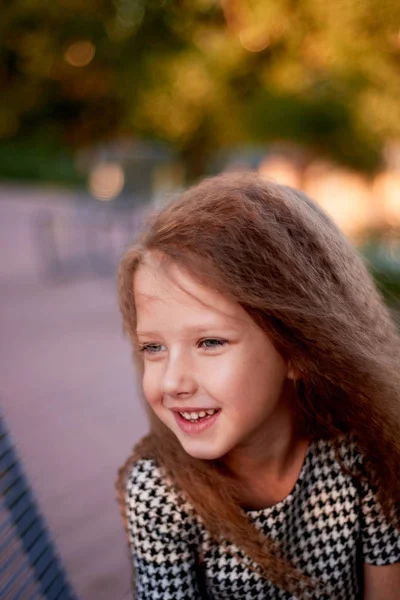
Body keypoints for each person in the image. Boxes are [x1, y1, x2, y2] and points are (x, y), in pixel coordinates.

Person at [116, 172, 400, 599]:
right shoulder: (161, 493)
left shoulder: (359, 456)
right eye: (153, 348)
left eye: (210, 342)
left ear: (298, 348)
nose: (172, 381)